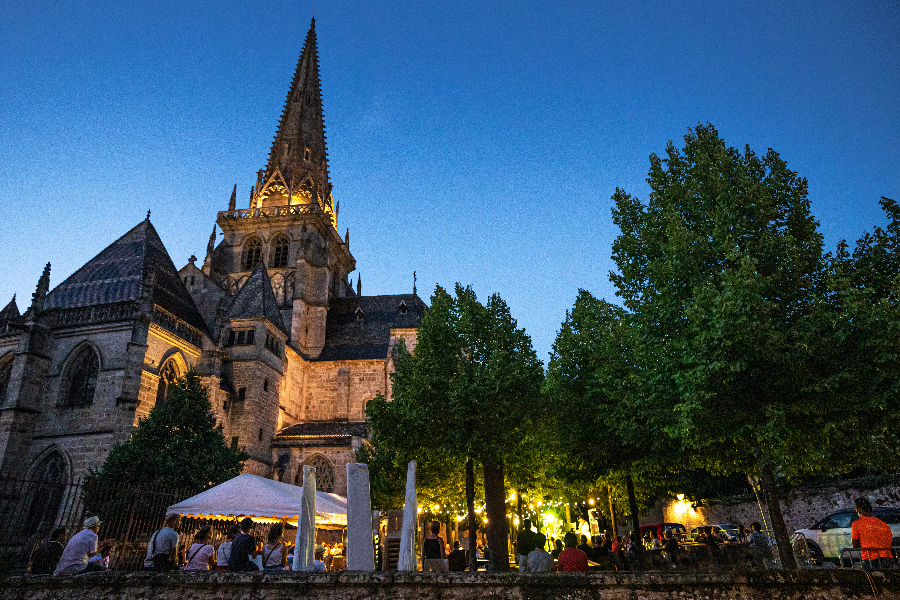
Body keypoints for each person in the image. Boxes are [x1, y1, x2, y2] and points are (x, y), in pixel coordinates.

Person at [851, 497, 894, 569]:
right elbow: (889, 541)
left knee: (870, 579)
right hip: (887, 558)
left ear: (859, 510)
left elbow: (855, 545)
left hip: (870, 560)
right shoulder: (883, 524)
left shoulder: (857, 524)